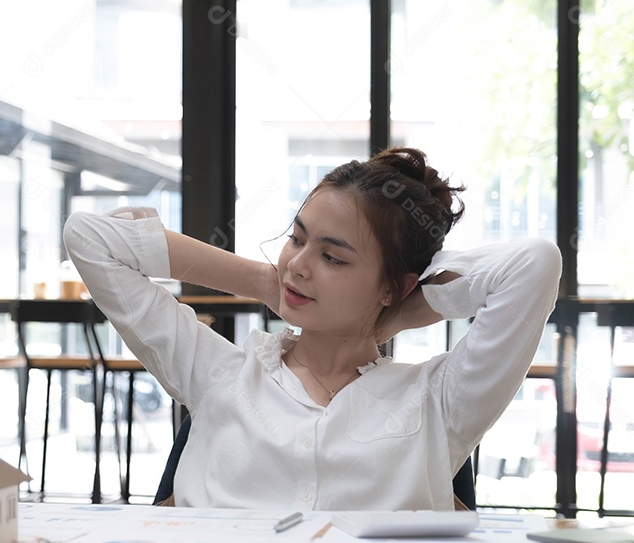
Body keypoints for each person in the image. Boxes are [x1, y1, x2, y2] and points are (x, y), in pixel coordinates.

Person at [63, 147, 561, 511]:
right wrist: (263, 281)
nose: (298, 265)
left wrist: (400, 311)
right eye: (296, 239)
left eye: (332, 257)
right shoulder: (218, 372)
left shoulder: (439, 402)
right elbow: (90, 237)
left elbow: (534, 264)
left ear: (394, 285)